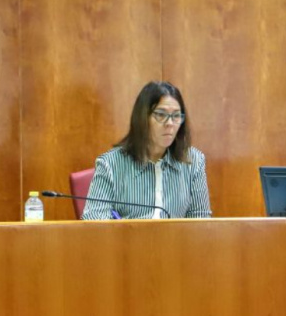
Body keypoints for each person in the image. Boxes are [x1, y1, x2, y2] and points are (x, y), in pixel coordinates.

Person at [83, 81, 212, 220]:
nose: (170, 123)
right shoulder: (110, 164)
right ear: (142, 118)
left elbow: (200, 221)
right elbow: (94, 221)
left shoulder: (194, 161)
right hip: (128, 235)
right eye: (161, 115)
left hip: (176, 235)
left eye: (176, 116)